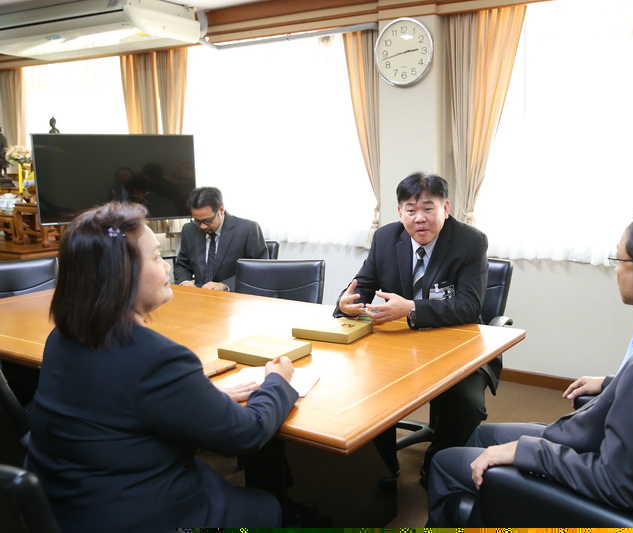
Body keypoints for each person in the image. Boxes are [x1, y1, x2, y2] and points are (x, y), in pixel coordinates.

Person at [426, 206, 633, 525]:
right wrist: (611, 383)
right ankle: (489, 509)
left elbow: (617, 484)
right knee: (480, 435)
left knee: (444, 462)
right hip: (598, 435)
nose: (616, 270)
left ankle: (494, 500)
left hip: (593, 462)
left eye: (619, 260)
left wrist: (524, 452)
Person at [25, 201, 298, 530]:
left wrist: (201, 396)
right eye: (156, 257)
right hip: (143, 516)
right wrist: (278, 381)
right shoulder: (155, 357)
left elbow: (118, 405)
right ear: (122, 273)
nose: (167, 268)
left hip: (65, 507)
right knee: (266, 507)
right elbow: (247, 434)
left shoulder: (62, 336)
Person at [333, 171, 498, 487]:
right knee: (365, 391)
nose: (419, 218)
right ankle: (384, 468)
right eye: (411, 210)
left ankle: (436, 464)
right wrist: (346, 303)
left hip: (455, 345)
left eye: (428, 208)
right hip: (397, 345)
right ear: (400, 212)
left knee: (466, 405)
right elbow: (362, 285)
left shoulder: (469, 241)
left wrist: (411, 308)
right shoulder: (385, 238)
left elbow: (469, 306)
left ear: (445, 208)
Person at [174, 186, 268, 291]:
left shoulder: (248, 229)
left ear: (221, 210)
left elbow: (260, 269)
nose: (202, 226)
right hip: (199, 294)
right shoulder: (189, 230)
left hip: (233, 296)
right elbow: (182, 265)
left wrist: (225, 285)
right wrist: (184, 281)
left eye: (207, 221)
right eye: (196, 220)